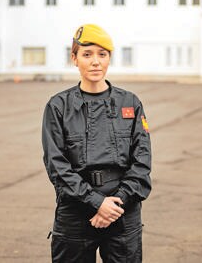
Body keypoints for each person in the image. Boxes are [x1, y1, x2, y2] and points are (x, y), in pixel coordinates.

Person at [42, 24, 152, 262]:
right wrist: (96, 202)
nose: (95, 62)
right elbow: (56, 166)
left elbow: (142, 163)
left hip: (122, 211)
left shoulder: (130, 103)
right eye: (87, 54)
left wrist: (114, 205)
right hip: (75, 212)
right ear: (74, 58)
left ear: (109, 59)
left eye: (102, 54)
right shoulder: (58, 107)